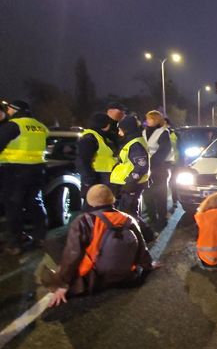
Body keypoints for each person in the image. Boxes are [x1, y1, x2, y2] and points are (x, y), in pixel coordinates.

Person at [47, 184, 155, 307]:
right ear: (112, 199)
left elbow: (73, 254)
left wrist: (63, 283)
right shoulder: (128, 219)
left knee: (53, 240)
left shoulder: (85, 220)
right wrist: (148, 265)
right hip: (127, 276)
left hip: (96, 279)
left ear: (90, 201)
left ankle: (67, 280)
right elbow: (141, 246)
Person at [0, 100, 49, 255]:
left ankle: (15, 243)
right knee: (35, 203)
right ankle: (41, 238)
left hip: (15, 171)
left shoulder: (13, 125)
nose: (7, 111)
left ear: (15, 110)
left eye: (8, 108)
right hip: (37, 170)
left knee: (14, 206)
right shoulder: (40, 126)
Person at [110, 116, 150, 220]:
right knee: (129, 214)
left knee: (129, 216)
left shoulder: (135, 144)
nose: (119, 132)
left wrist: (130, 181)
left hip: (132, 184)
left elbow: (141, 166)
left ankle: (138, 234)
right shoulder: (133, 141)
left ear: (126, 129)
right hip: (129, 183)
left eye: (120, 129)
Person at [76, 113, 119, 211]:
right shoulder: (90, 137)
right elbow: (82, 160)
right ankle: (88, 226)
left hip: (104, 179)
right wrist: (89, 180)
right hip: (96, 179)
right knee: (92, 209)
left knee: (103, 209)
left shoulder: (103, 136)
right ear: (105, 124)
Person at [142, 110, 172, 231]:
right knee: (147, 194)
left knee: (160, 195)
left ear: (157, 120)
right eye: (148, 119)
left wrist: (151, 163)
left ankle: (162, 220)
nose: (148, 121)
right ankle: (152, 218)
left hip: (159, 168)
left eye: (151, 119)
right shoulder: (144, 132)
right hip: (146, 168)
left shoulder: (163, 132)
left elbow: (164, 151)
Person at [165, 118, 180, 213]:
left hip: (174, 163)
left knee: (173, 183)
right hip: (163, 163)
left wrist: (181, 162)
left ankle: (175, 200)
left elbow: (180, 148)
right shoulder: (157, 134)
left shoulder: (175, 135)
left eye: (165, 124)